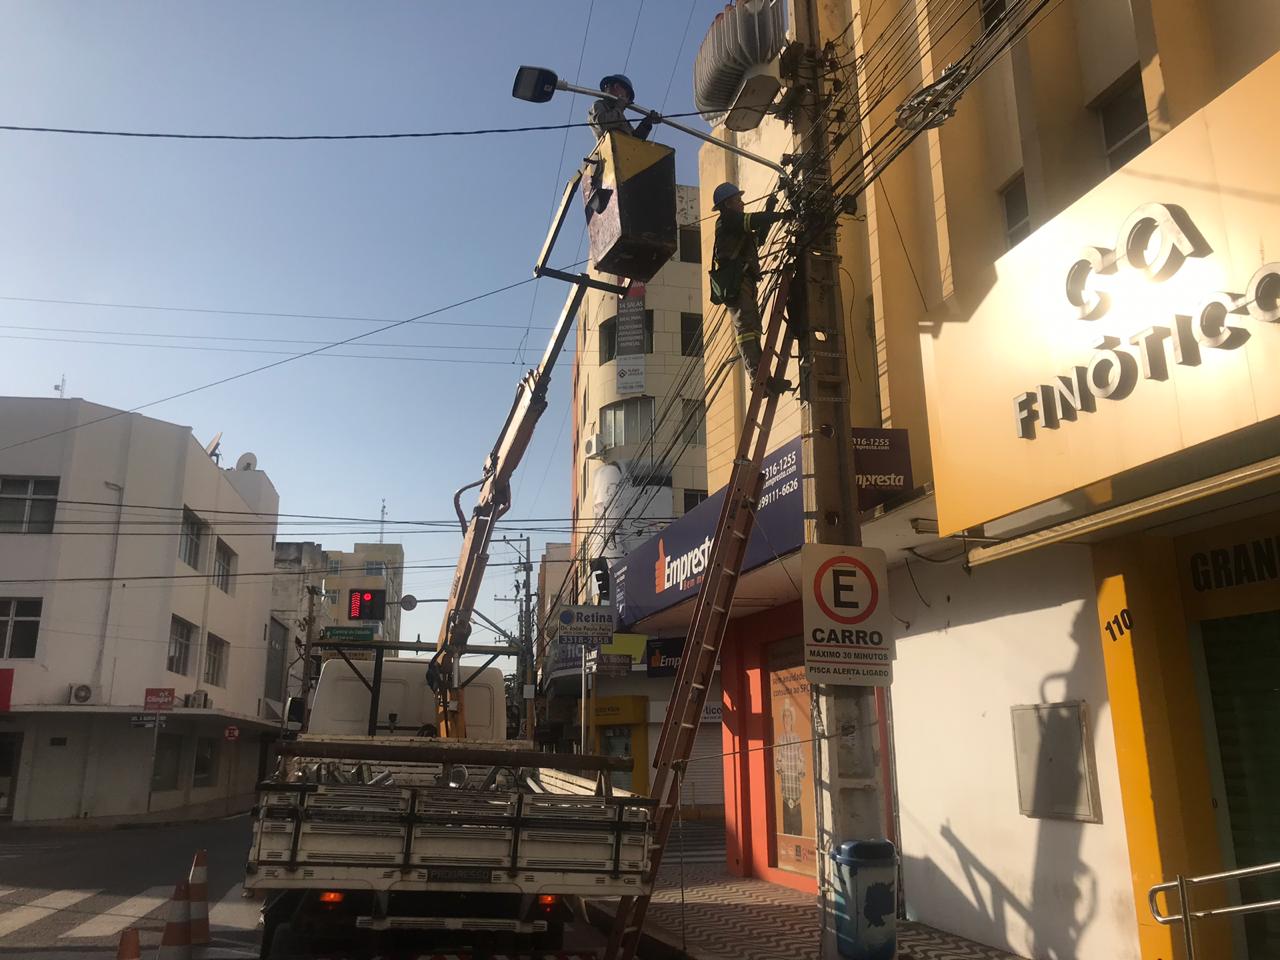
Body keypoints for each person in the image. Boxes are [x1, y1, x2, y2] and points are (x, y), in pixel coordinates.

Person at [709, 181, 791, 392]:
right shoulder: (727, 221)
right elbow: (752, 220)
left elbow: (759, 237)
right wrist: (781, 216)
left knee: (753, 329)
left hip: (745, 281)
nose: (742, 203)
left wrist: (771, 209)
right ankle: (758, 378)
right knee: (746, 329)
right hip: (737, 282)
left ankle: (764, 377)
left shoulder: (735, 224)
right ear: (727, 204)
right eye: (738, 200)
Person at [588, 74, 659, 141]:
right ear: (617, 86)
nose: (627, 99)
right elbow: (604, 125)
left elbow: (634, 141)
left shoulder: (620, 115)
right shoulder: (599, 104)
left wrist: (646, 123)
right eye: (627, 95)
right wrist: (619, 106)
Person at [775, 702, 805, 837]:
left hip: (797, 796)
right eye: (784, 717)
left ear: (792, 719)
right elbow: (778, 764)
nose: (786, 719)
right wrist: (781, 766)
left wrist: (798, 768)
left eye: (789, 717)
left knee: (798, 832)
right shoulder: (780, 740)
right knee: (787, 833)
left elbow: (802, 764)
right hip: (786, 796)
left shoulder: (797, 739)